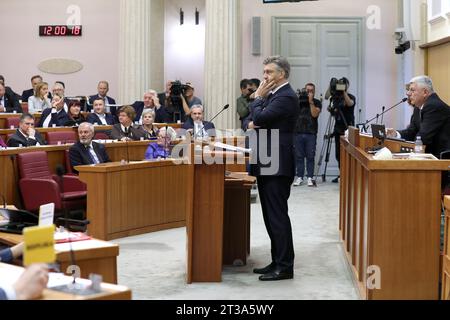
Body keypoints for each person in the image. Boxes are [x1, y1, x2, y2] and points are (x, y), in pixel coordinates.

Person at [246, 56, 299, 281]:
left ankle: (285, 266)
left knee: (277, 215)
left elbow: (259, 117)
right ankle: (277, 261)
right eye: (264, 71)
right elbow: (252, 121)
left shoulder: (286, 96)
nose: (264, 76)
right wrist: (257, 116)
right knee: (270, 215)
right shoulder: (274, 95)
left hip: (277, 162)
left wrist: (257, 99)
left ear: (282, 75)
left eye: (269, 72)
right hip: (268, 160)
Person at [387, 75, 450, 159]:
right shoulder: (418, 107)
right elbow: (412, 131)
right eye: (409, 90)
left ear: (425, 92)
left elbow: (423, 138)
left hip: (441, 159)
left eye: (412, 90)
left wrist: (403, 151)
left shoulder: (434, 106)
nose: (408, 93)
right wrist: (395, 134)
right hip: (427, 156)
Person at [293, 83, 322, 187]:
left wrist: (310, 102)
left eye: (311, 91)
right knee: (299, 156)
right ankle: (299, 177)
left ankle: (310, 177)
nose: (309, 92)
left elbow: (315, 114)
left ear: (314, 92)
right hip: (297, 132)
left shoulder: (317, 102)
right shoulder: (298, 101)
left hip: (311, 133)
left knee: (310, 156)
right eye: (307, 90)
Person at [328, 77, 356, 183]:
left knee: (348, 154)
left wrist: (343, 92)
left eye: (344, 84)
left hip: (348, 129)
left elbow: (350, 103)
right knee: (338, 154)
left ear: (347, 86)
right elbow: (327, 98)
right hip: (338, 130)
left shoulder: (350, 96)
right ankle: (342, 175)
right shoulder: (336, 98)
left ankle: (349, 176)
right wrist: (332, 87)